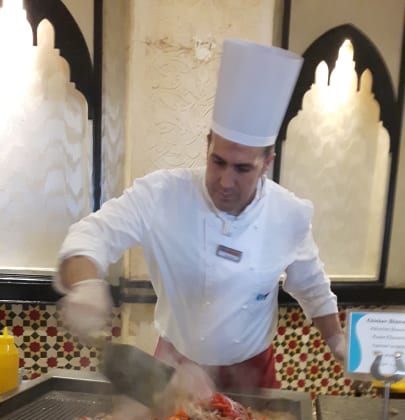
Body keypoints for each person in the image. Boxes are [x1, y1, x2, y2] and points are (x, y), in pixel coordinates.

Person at [55, 39, 345, 397]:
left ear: (266, 163)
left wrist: (338, 343)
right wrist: (85, 283)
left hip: (253, 374)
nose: (225, 181)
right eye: (217, 161)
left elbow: (312, 287)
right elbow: (92, 235)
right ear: (208, 143)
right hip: (173, 371)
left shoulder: (289, 214)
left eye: (242, 169)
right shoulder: (162, 194)